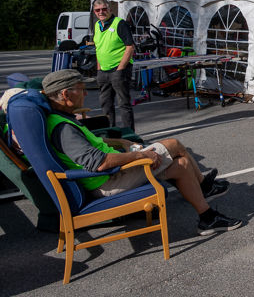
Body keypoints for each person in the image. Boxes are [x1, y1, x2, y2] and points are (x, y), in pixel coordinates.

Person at [42, 69, 242, 236]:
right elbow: (99, 163)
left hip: (112, 175)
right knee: (173, 144)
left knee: (181, 165)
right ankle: (205, 187)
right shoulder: (63, 129)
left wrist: (120, 141)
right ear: (66, 95)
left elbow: (92, 144)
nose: (86, 94)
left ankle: (207, 219)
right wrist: (141, 155)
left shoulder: (62, 118)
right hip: (107, 181)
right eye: (81, 89)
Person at [92, 0, 136, 130]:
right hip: (103, 71)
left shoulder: (119, 24)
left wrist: (120, 69)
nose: (101, 12)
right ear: (94, 12)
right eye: (97, 10)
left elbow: (130, 47)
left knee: (124, 104)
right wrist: (99, 69)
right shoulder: (97, 25)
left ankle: (130, 134)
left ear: (110, 9)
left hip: (119, 70)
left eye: (104, 9)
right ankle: (110, 132)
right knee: (106, 104)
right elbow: (98, 48)